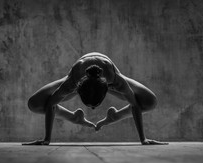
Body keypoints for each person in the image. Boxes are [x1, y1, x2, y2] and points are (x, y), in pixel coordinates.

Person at [22, 52, 168, 145]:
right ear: (77, 90)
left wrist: (143, 139)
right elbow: (50, 104)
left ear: (108, 90)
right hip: (78, 78)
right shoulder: (71, 83)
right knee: (34, 103)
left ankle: (115, 115)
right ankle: (74, 117)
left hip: (107, 77)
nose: (92, 108)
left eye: (94, 105)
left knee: (150, 101)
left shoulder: (116, 80)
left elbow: (135, 104)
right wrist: (46, 139)